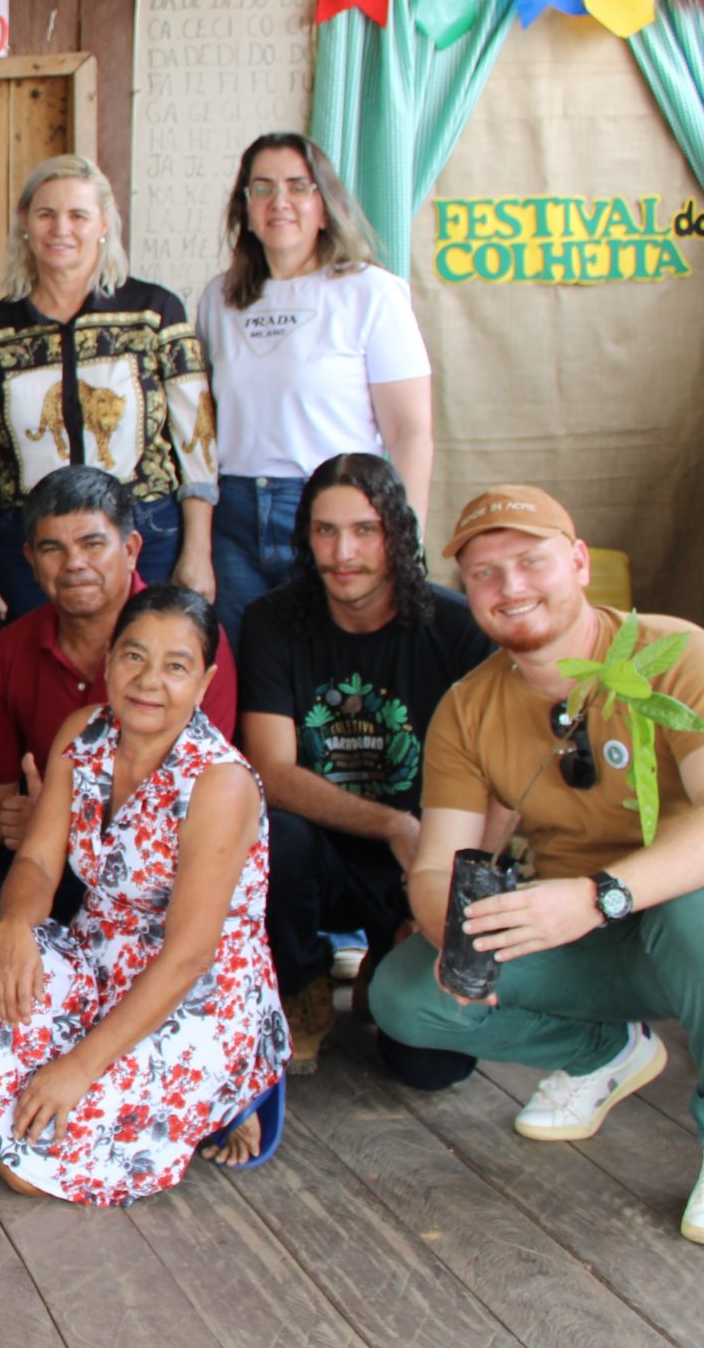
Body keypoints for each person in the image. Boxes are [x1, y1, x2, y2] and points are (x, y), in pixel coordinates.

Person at [369, 487, 704, 1245]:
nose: (511, 587)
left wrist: (602, 896)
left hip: (685, 921)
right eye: (485, 574)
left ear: (579, 561)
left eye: (531, 562)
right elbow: (437, 864)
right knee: (407, 993)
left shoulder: (680, 653)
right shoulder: (468, 707)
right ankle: (605, 1050)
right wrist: (453, 937)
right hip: (584, 934)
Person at [0, 585, 287, 1203]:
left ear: (205, 682)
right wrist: (16, 931)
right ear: (109, 661)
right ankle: (38, 1118)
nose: (149, 680)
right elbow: (37, 858)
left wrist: (77, 1070)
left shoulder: (220, 782)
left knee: (27, 1172)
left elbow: (190, 955)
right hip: (98, 956)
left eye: (177, 666)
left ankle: (238, 1084)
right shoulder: (84, 731)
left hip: (196, 993)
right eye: (134, 656)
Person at [240, 453, 489, 1082]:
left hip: (427, 864)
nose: (343, 551)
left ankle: (390, 955)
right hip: (317, 862)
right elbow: (270, 769)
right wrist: (393, 825)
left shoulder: (455, 628)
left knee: (433, 1068)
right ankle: (301, 983)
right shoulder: (275, 621)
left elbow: (500, 781)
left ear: (396, 535)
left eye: (364, 530)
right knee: (272, 829)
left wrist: (440, 891)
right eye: (325, 531)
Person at [0, 468, 239, 895]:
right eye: (53, 548)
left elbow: (203, 802)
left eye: (92, 544)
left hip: (170, 866)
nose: (74, 564)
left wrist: (63, 823)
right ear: (31, 560)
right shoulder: (8, 650)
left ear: (130, 549)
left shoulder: (193, 641)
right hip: (44, 862)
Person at [196, 134, 431, 645]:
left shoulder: (372, 293)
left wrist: (401, 541)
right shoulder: (220, 299)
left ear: (325, 207)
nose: (279, 201)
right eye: (262, 188)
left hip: (334, 512)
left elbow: (410, 431)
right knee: (248, 672)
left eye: (297, 187)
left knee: (328, 670)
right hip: (233, 516)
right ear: (246, 209)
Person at [0, 154, 219, 625]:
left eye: (77, 215)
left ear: (104, 223)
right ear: (25, 223)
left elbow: (197, 441)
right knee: (43, 681)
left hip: (146, 533)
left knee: (142, 675)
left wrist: (198, 550)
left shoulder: (155, 312)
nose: (61, 228)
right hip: (30, 545)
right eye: (46, 214)